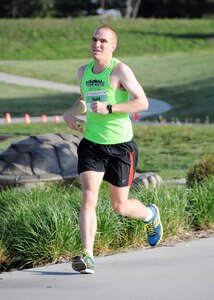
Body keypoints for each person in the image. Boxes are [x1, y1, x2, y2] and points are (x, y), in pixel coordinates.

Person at [63, 26, 163, 274]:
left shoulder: (119, 70)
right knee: (88, 197)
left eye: (103, 40)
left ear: (113, 46)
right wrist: (69, 113)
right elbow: (85, 100)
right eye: (94, 39)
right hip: (93, 144)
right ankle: (87, 255)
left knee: (120, 206)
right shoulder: (83, 71)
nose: (97, 43)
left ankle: (150, 215)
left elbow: (143, 102)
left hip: (120, 146)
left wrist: (109, 108)